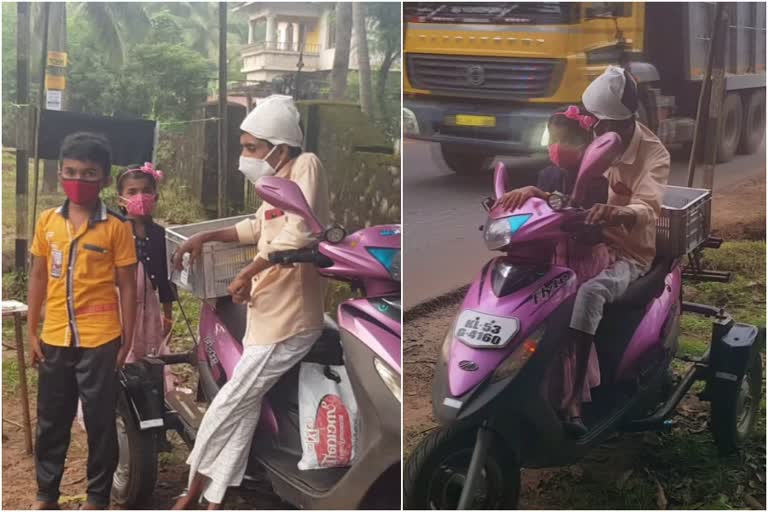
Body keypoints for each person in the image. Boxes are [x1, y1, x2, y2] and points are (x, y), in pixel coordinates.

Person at [171, 95, 331, 509]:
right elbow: (256, 227)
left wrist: (247, 272)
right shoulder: (274, 183)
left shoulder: (305, 166)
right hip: (268, 314)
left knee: (230, 401)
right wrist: (205, 236)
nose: (245, 156)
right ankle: (214, 494)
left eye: (250, 148)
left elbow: (300, 232)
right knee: (243, 403)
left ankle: (191, 489)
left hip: (292, 317)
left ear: (277, 146)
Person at [27, 132, 138, 510]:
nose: (79, 180)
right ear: (60, 174)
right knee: (51, 421)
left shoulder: (116, 228)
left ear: (105, 179)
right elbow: (39, 276)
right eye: (71, 171)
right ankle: (46, 495)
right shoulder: (47, 222)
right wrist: (32, 330)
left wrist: (128, 337)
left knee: (100, 423)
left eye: (89, 173)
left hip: (100, 340)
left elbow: (127, 286)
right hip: (55, 336)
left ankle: (96, 498)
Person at [563, 66, 670, 435]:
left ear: (620, 125)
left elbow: (649, 208)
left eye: (600, 126)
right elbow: (565, 180)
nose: (594, 132)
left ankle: (575, 396)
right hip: (590, 243)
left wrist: (619, 212)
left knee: (589, 294)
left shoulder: (654, 155)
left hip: (628, 253)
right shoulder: (596, 140)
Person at [495, 105, 607, 211]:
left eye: (567, 141)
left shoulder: (601, 179)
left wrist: (539, 194)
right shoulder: (548, 175)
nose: (558, 146)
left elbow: (577, 209)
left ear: (588, 143)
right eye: (553, 140)